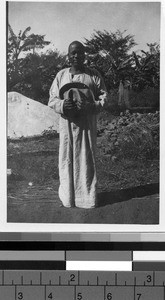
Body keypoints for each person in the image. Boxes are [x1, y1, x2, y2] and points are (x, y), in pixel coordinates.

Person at [48, 41, 107, 208]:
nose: (76, 56)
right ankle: (68, 198)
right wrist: (62, 105)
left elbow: (103, 97)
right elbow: (52, 99)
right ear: (68, 56)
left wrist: (92, 106)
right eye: (73, 53)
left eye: (80, 52)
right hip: (67, 124)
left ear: (84, 55)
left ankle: (87, 198)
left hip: (86, 125)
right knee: (66, 158)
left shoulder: (93, 75)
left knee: (86, 158)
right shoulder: (61, 76)